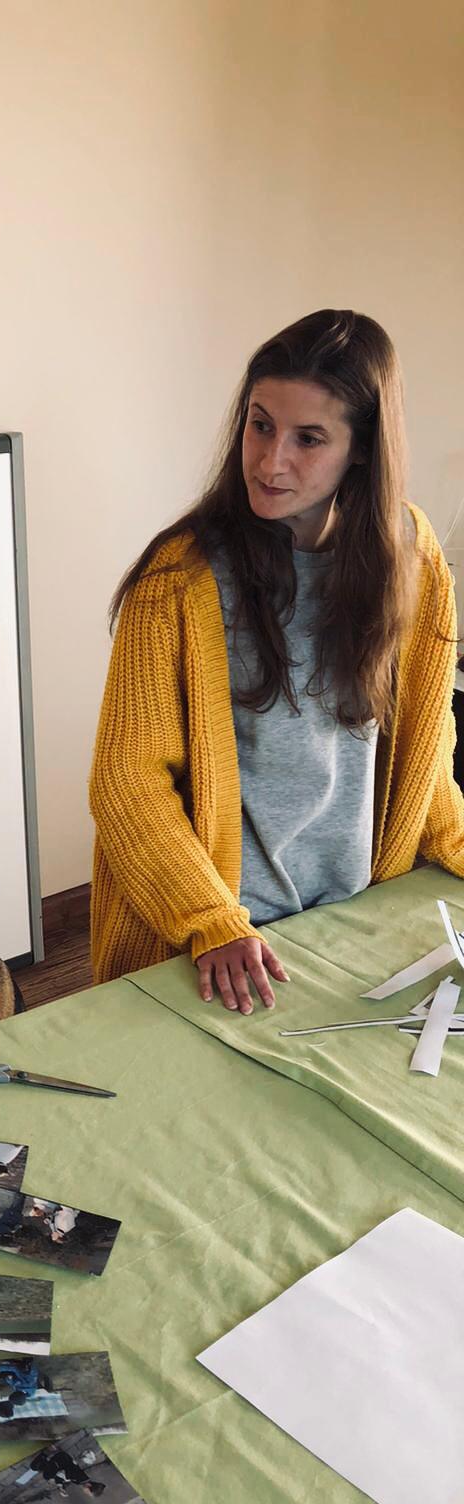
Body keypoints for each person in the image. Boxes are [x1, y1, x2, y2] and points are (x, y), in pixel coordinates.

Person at [90, 310, 464, 1011]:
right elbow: (127, 782)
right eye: (260, 425)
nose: (270, 461)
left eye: (308, 439)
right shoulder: (177, 581)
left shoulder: (412, 557)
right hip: (220, 938)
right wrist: (211, 921)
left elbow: (425, 737)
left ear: (362, 449)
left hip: (350, 916)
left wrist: (454, 840)